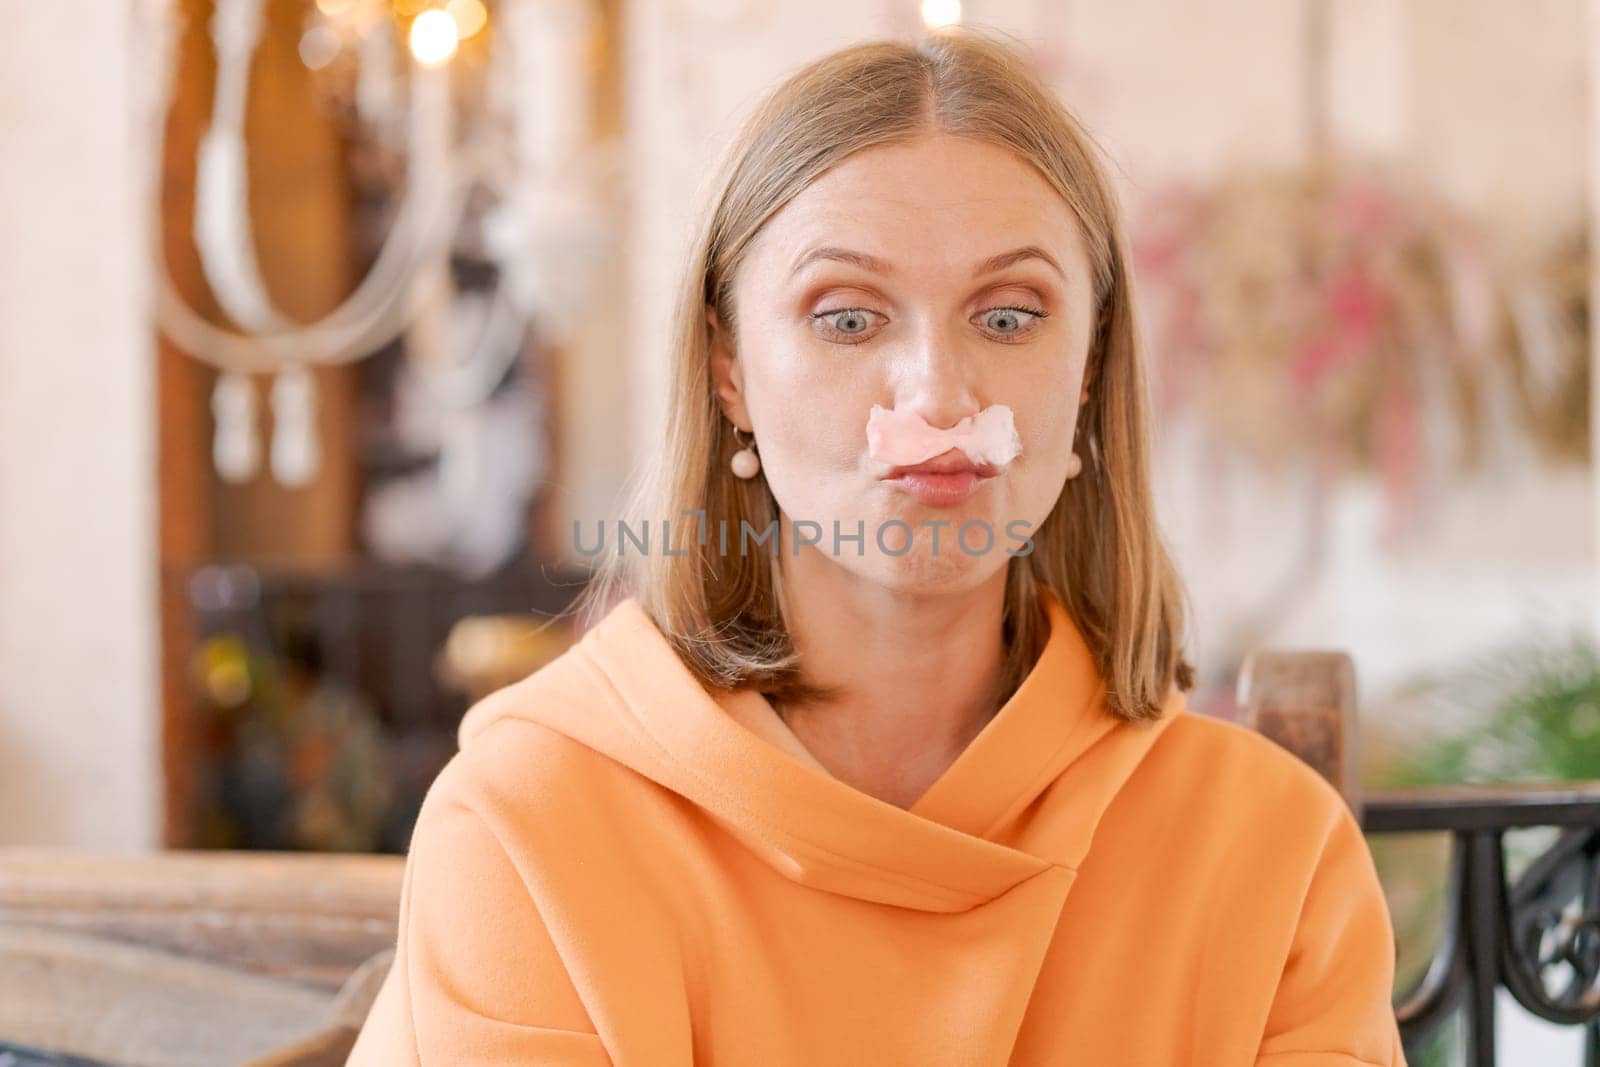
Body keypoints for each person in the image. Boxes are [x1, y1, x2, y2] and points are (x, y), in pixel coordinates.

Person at [348, 26, 1407, 1066]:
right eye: (847, 318)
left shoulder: (1272, 847)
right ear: (729, 371)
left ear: (1087, 368)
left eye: (1008, 316)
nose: (938, 397)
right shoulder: (534, 823)